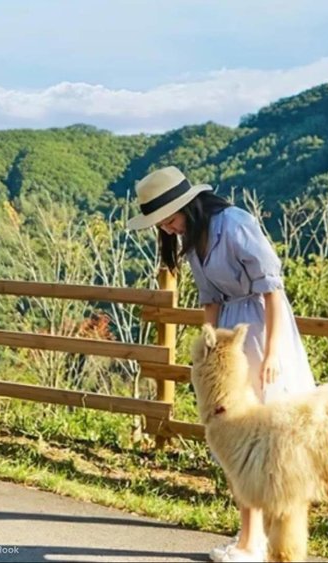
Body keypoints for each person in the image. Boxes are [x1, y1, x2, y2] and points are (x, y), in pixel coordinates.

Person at [127, 166, 316, 562]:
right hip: (229, 333)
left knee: (265, 434)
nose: (169, 229)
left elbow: (272, 288)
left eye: (171, 220)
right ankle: (251, 537)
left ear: (189, 206)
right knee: (235, 433)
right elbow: (209, 299)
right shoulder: (194, 240)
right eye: (162, 224)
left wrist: (272, 353)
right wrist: (208, 348)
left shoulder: (235, 223)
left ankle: (259, 540)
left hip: (263, 327)